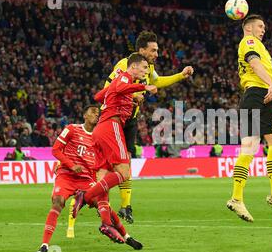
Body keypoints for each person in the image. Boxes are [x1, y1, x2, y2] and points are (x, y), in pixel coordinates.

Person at [67, 31, 194, 227]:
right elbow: (110, 89)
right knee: (113, 166)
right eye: (153, 50)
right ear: (141, 50)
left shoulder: (148, 68)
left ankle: (122, 206)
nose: (157, 54)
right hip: (114, 119)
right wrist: (135, 94)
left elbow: (157, 82)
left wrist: (180, 75)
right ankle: (94, 200)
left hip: (129, 119)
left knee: (122, 163)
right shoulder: (123, 65)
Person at [35, 105, 143, 252]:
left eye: (98, 112)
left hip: (87, 178)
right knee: (58, 202)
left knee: (104, 206)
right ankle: (44, 245)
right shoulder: (72, 129)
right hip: (67, 175)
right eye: (92, 111)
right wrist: (71, 165)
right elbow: (56, 149)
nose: (96, 114)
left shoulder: (100, 137)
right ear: (84, 115)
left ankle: (127, 237)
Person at [71, 54, 157, 230]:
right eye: (144, 68)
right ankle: (85, 196)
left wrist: (124, 99)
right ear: (133, 67)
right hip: (112, 126)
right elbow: (120, 86)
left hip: (101, 129)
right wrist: (143, 87)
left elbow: (98, 96)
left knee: (104, 174)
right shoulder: (125, 76)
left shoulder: (121, 81)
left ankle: (106, 222)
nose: (146, 71)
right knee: (124, 173)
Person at [226, 14, 272, 223]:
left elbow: (263, 71)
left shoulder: (262, 47)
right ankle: (236, 198)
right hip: (254, 95)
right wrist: (270, 84)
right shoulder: (249, 41)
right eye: (260, 26)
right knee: (250, 147)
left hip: (265, 96)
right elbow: (254, 65)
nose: (264, 29)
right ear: (249, 28)